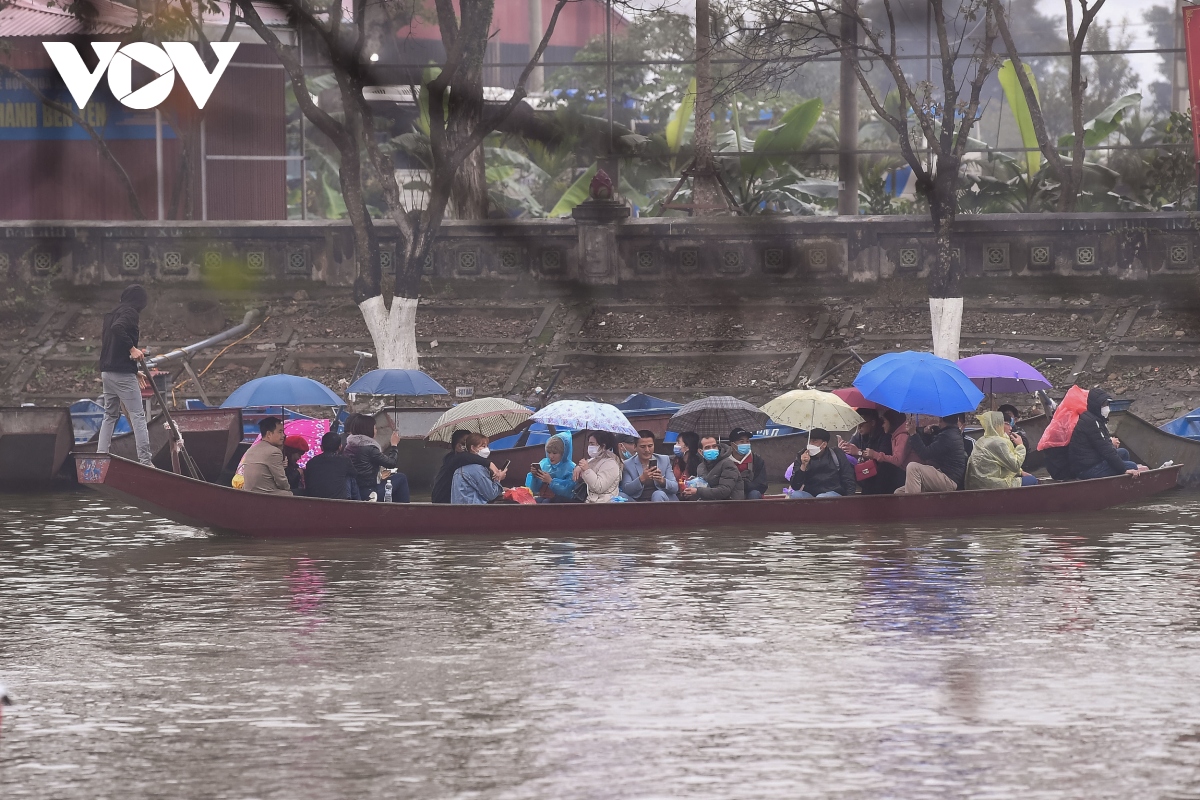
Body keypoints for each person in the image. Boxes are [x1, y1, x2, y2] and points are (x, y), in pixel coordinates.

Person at [96, 284, 153, 466]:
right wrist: (133, 348)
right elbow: (118, 329)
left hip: (108, 372)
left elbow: (113, 346)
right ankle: (145, 461)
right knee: (138, 415)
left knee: (110, 415)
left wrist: (135, 371)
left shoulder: (111, 314)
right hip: (121, 374)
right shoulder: (130, 313)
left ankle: (101, 455)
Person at [1069, 389, 1146, 479]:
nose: (1107, 408)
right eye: (1104, 405)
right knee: (1131, 465)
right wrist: (1124, 469)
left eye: (1107, 405)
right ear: (1096, 405)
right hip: (1086, 469)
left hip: (1094, 459)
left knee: (1124, 453)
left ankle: (1118, 477)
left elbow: (1103, 442)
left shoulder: (1095, 419)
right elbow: (1106, 450)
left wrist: (1111, 443)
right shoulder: (1091, 422)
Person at [344, 413, 410, 502]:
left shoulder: (349, 446)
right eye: (375, 428)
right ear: (368, 430)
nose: (376, 431)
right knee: (401, 478)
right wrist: (394, 445)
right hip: (369, 491)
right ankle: (404, 510)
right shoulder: (369, 448)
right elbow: (391, 463)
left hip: (355, 490)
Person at [895, 414, 967, 494]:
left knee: (913, 467)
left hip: (948, 480)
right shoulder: (951, 433)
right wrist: (929, 431)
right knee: (899, 493)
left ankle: (913, 505)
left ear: (940, 420)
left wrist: (913, 434)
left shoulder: (947, 436)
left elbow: (925, 454)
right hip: (942, 475)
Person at [966, 411, 1038, 489]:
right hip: (989, 484)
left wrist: (1021, 472)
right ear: (997, 424)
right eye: (1007, 424)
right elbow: (1015, 465)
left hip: (979, 483)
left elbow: (1005, 463)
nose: (1010, 428)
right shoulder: (998, 443)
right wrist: (1020, 445)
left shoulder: (982, 440)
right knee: (1032, 480)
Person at [789, 428, 856, 498]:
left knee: (821, 497)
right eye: (809, 441)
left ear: (824, 444)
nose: (811, 444)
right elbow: (795, 486)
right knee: (795, 495)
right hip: (810, 493)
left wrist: (849, 498)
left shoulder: (836, 454)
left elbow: (848, 477)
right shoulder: (801, 455)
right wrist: (803, 466)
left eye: (814, 441)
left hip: (833, 493)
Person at [839, 409, 893, 495]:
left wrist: (859, 452)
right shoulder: (859, 435)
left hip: (883, 480)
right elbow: (851, 447)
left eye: (861, 424)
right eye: (857, 424)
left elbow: (883, 457)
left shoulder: (885, 435)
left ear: (872, 423)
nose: (859, 427)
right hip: (865, 475)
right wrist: (843, 449)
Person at [432, 429, 489, 504]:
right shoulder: (454, 460)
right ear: (459, 446)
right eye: (468, 443)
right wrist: (489, 464)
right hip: (445, 504)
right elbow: (465, 456)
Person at [681, 435, 745, 501]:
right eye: (707, 447)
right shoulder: (701, 467)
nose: (712, 449)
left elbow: (724, 491)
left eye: (714, 446)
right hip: (709, 504)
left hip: (730, 504)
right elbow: (703, 487)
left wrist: (697, 491)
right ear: (700, 451)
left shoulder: (727, 464)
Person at [861, 409, 911, 494]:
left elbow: (897, 461)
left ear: (892, 422)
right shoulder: (894, 436)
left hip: (907, 474)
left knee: (884, 467)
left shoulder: (902, 436)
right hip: (900, 473)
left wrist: (875, 455)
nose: (882, 425)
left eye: (884, 422)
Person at [621, 429, 679, 502]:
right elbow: (626, 490)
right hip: (638, 501)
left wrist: (662, 480)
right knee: (620, 496)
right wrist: (642, 478)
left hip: (661, 499)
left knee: (658, 494)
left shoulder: (664, 460)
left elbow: (675, 488)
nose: (647, 450)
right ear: (635, 447)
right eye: (643, 447)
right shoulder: (627, 464)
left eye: (650, 446)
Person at [241, 416, 293, 495]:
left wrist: (281, 466)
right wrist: (289, 488)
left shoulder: (251, 450)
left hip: (249, 494)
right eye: (280, 432)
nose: (283, 435)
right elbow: (281, 481)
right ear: (269, 434)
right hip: (266, 496)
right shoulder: (274, 452)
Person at [451, 432, 507, 504]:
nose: (486, 449)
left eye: (487, 446)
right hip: (474, 511)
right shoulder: (477, 469)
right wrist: (498, 478)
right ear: (473, 448)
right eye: (483, 446)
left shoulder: (460, 469)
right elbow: (491, 494)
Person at [303, 431, 360, 499]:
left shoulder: (311, 462)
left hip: (314, 500)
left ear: (321, 447)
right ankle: (358, 503)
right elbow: (355, 474)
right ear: (340, 447)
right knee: (349, 478)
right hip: (338, 500)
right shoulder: (344, 461)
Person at [527, 431, 578, 503]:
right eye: (549, 452)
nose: (551, 456)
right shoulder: (544, 463)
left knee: (546, 503)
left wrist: (551, 481)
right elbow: (534, 489)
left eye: (555, 453)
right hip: (543, 496)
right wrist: (535, 476)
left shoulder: (570, 467)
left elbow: (568, 491)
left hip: (560, 502)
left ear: (563, 453)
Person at [573, 431, 623, 503]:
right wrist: (579, 467)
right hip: (591, 501)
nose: (589, 446)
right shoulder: (595, 459)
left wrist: (587, 470)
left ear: (603, 446)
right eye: (589, 443)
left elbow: (599, 487)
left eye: (592, 444)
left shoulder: (611, 464)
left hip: (603, 504)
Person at [728, 427, 767, 499]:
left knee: (754, 494)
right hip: (731, 494)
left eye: (747, 441)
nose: (745, 444)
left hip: (751, 493)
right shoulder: (725, 461)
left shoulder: (757, 460)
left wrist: (743, 485)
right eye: (742, 442)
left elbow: (762, 485)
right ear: (733, 445)